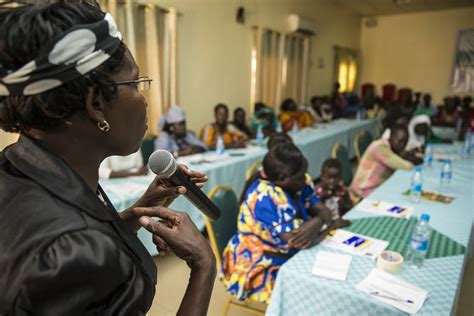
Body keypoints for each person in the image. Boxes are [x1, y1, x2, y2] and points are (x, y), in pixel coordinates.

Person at [0, 2, 216, 315]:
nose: (144, 100)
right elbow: (82, 244)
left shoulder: (16, 164)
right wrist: (203, 265)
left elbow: (79, 225)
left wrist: (139, 207)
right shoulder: (70, 256)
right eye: (137, 83)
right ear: (97, 103)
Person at [221, 144, 338, 304]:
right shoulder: (266, 196)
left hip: (283, 254)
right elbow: (298, 242)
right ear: (283, 178)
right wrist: (325, 224)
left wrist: (317, 222)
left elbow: (325, 212)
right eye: (301, 176)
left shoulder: (297, 182)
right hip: (260, 265)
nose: (306, 180)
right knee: (319, 292)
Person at [350, 125, 415, 198]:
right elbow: (406, 166)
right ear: (391, 136)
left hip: (376, 188)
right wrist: (413, 160)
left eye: (405, 143)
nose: (402, 145)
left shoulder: (392, 149)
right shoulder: (380, 147)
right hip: (362, 192)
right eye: (400, 141)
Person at [314, 159, 352, 227]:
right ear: (322, 176)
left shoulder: (342, 191)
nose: (332, 181)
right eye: (329, 177)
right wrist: (320, 199)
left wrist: (343, 203)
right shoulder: (317, 192)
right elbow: (313, 212)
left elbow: (349, 207)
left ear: (340, 177)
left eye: (336, 178)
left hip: (340, 222)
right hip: (324, 225)